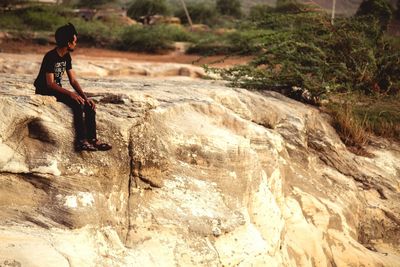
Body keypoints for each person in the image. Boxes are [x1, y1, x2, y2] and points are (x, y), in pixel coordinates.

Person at [34, 23, 111, 152]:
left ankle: (92, 139)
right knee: (77, 104)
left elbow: (73, 80)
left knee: (88, 105)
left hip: (55, 89)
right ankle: (81, 141)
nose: (76, 43)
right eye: (75, 41)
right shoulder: (50, 56)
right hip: (45, 91)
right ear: (69, 43)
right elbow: (50, 84)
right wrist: (71, 94)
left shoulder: (66, 56)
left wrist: (85, 97)